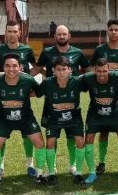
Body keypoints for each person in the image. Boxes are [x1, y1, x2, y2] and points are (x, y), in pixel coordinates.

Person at [32, 24, 90, 174]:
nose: (62, 37)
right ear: (55, 36)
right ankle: (53, 167)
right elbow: (38, 69)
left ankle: (73, 166)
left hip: (72, 97)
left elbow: (88, 70)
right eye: (59, 34)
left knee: (72, 136)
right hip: (52, 98)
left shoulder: (78, 52)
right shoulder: (47, 52)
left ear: (69, 36)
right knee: (53, 135)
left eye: (64, 34)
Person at [0, 53, 47, 186]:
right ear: (3, 67)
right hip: (4, 120)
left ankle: (40, 175)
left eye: (14, 66)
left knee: (40, 144)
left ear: (20, 67)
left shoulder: (28, 80)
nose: (11, 69)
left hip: (26, 119)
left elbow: (38, 92)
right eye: (7, 66)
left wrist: (25, 95)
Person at [0, 21, 38, 177]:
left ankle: (30, 164)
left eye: (15, 31)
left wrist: (26, 84)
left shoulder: (27, 49)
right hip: (4, 96)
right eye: (9, 31)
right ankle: (1, 165)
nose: (12, 34)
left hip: (22, 97)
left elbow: (34, 68)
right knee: (1, 133)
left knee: (27, 133)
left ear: (20, 32)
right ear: (6, 32)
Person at [90, 18, 118, 175]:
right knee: (103, 130)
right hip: (102, 94)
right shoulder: (99, 50)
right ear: (107, 31)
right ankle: (101, 162)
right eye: (111, 29)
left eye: (116, 29)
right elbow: (92, 69)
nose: (114, 32)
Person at [36, 56, 87, 185]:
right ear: (53, 71)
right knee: (50, 143)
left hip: (73, 117)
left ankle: (78, 171)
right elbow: (35, 92)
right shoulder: (47, 82)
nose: (61, 72)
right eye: (58, 69)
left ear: (70, 70)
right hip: (54, 118)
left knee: (80, 142)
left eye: (64, 69)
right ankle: (52, 172)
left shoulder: (77, 82)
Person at [81, 58, 118, 183]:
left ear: (109, 70)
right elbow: (72, 81)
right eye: (99, 71)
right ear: (94, 70)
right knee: (88, 139)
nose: (102, 74)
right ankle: (92, 172)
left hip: (115, 114)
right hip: (95, 114)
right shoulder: (87, 78)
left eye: (104, 71)